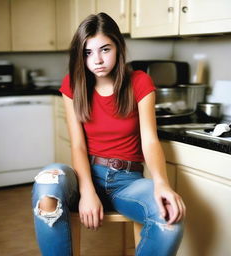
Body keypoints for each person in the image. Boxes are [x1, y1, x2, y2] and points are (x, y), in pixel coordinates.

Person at [32, 12, 186, 256]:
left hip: (128, 182)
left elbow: (149, 140)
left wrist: (161, 183)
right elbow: (78, 146)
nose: (98, 60)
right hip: (86, 176)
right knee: (46, 185)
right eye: (88, 52)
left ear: (118, 47)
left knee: (169, 218)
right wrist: (87, 191)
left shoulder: (140, 82)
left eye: (105, 49)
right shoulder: (73, 84)